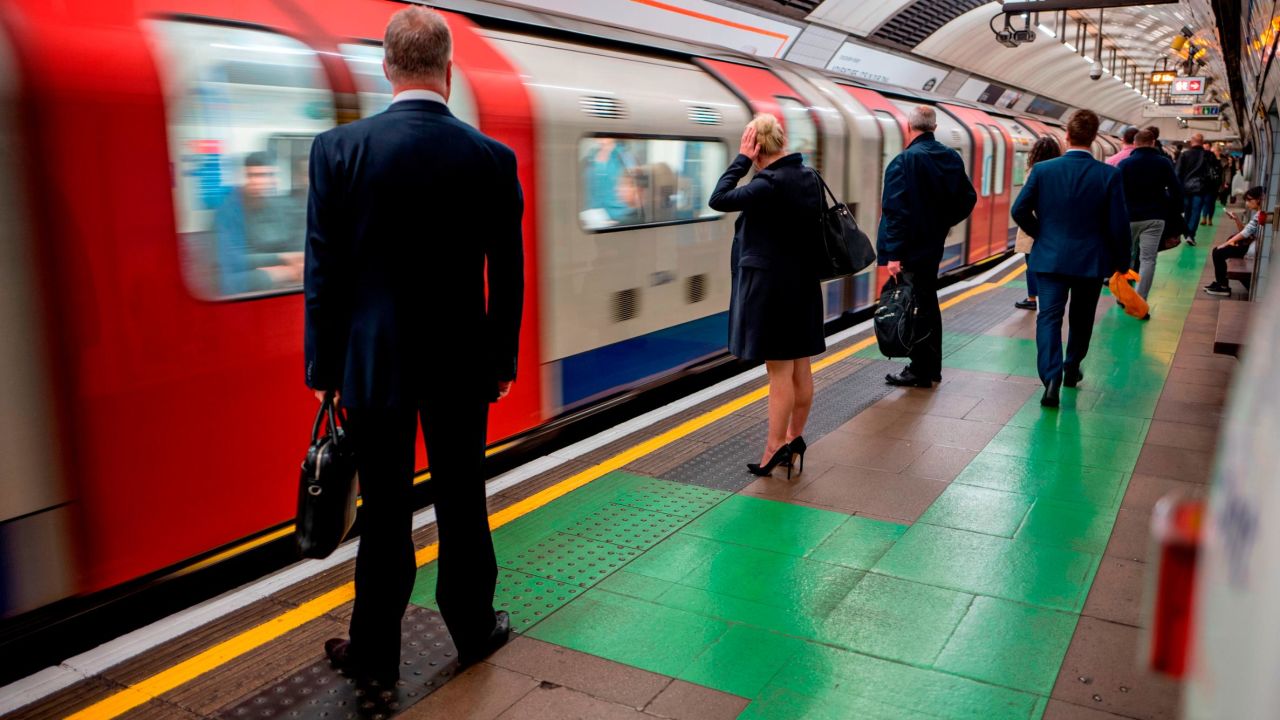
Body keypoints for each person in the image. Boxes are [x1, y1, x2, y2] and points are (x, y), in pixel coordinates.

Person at [304, 6, 524, 687]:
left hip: (371, 363)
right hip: (461, 363)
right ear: (449, 74)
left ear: (388, 68)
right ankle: (472, 626)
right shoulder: (491, 158)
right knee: (463, 499)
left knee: (385, 509)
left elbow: (324, 271)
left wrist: (323, 367)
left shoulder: (338, 151)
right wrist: (503, 362)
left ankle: (375, 654)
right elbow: (507, 275)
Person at [708, 114, 824, 477]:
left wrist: (741, 160)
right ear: (782, 142)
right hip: (803, 284)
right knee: (801, 366)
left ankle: (775, 447)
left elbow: (719, 198)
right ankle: (794, 438)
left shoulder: (767, 185)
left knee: (779, 373)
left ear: (757, 147)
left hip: (773, 290)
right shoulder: (810, 177)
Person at [1011, 109, 1130, 408]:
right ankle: (1071, 366)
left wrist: (1041, 235)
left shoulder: (1043, 170)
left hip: (1049, 259)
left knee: (1048, 318)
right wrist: (1122, 262)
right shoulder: (1109, 175)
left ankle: (1050, 378)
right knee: (1081, 317)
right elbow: (1118, 224)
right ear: (1093, 138)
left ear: (1067, 134)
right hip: (1090, 261)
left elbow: (1019, 210)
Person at [876, 105, 976, 389]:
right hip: (932, 246)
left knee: (915, 306)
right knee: (927, 303)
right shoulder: (950, 157)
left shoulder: (903, 161)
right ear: (933, 127)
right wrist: (941, 225)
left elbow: (895, 212)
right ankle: (931, 367)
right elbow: (967, 199)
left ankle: (920, 370)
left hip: (908, 249)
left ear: (909, 127)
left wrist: (893, 254)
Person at [212, 152, 304, 295]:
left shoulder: (284, 206)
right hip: (249, 292)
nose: (259, 182)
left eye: (267, 175)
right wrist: (281, 264)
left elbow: (298, 246)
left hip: (289, 288)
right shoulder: (228, 212)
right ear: (244, 177)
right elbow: (231, 261)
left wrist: (296, 263)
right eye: (253, 175)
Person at [1118, 129, 1182, 300]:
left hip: (1129, 218)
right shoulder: (1163, 163)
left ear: (1135, 143)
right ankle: (1140, 299)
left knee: (1127, 256)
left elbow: (1117, 193)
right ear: (1153, 142)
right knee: (1148, 259)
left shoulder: (1125, 164)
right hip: (1155, 217)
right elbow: (1176, 190)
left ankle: (1123, 297)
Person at [1014, 136, 1061, 311]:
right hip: (1052, 224)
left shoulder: (1034, 172)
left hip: (1034, 224)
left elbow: (1022, 205)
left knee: (1031, 262)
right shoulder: (1058, 171)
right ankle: (1045, 296)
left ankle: (1032, 298)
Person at [1204, 186, 1266, 296]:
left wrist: (1226, 244)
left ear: (1258, 200)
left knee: (1217, 252)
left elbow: (1244, 233)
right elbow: (1245, 231)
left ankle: (1223, 286)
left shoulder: (1260, 215)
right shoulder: (1258, 213)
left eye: (1249, 200)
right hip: (1248, 245)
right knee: (1220, 250)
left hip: (1249, 248)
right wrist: (1236, 219)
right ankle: (1221, 283)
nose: (1247, 203)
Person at [1175, 133, 1213, 246]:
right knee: (1196, 211)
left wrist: (1178, 188)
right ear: (1202, 142)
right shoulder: (1208, 155)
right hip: (1201, 188)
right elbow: (1212, 173)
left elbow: (1177, 173)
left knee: (1187, 211)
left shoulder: (1185, 155)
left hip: (1185, 188)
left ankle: (1187, 234)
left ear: (1192, 142)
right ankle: (1190, 235)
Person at [1200, 146, 1224, 226]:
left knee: (1208, 202)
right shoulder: (1215, 163)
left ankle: (1207, 218)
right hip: (1211, 186)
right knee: (1209, 202)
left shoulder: (1206, 164)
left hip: (1209, 186)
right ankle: (1207, 218)